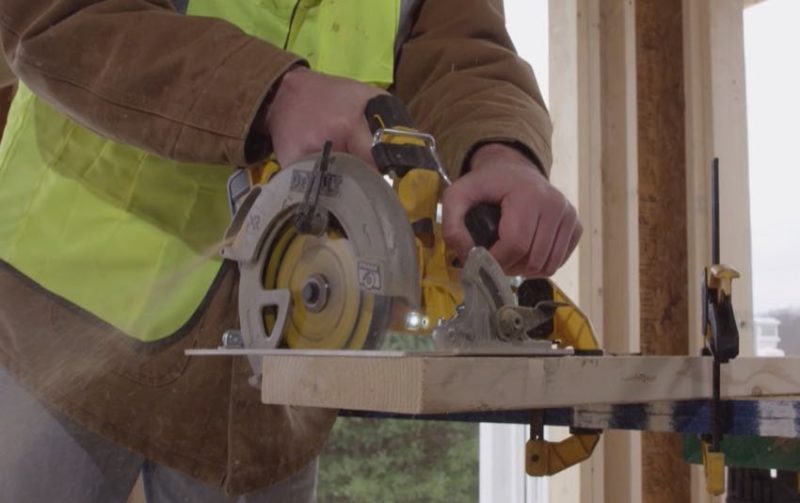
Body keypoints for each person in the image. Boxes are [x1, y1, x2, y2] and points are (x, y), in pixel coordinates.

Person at [0, 0, 582, 501]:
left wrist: (502, 152)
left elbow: (461, 44)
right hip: (62, 315)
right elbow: (52, 14)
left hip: (283, 353)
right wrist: (273, 94)